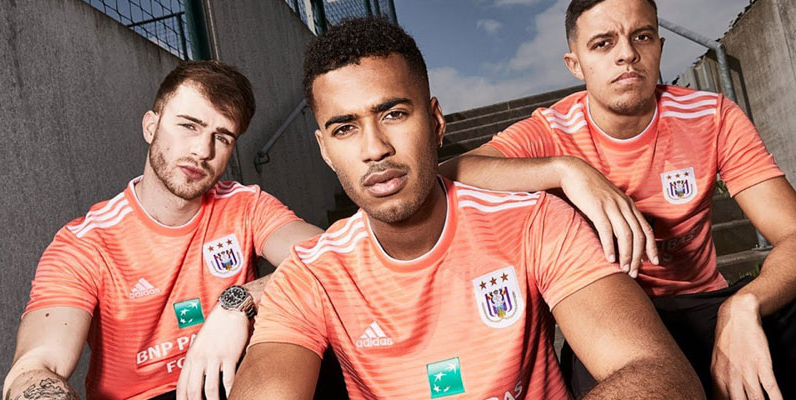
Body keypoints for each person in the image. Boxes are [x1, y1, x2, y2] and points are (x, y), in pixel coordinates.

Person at [225, 17, 702, 400]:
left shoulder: (534, 222)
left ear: (435, 121)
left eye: (394, 114)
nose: (374, 149)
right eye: (345, 128)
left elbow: (660, 374)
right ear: (325, 150)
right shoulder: (309, 275)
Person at [440, 0, 796, 398]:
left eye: (641, 36)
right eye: (603, 43)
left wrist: (744, 303)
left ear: (659, 47)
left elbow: (792, 234)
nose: (627, 53)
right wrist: (567, 171)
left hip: (704, 301)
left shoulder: (712, 116)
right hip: (614, 318)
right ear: (575, 64)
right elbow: (450, 174)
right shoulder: (553, 130)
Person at [2, 61, 323, 400]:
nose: (202, 151)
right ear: (150, 127)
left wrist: (238, 302)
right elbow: (36, 367)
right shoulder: (86, 243)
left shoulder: (245, 205)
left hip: (239, 385)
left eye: (222, 137)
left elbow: (334, 259)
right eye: (188, 126)